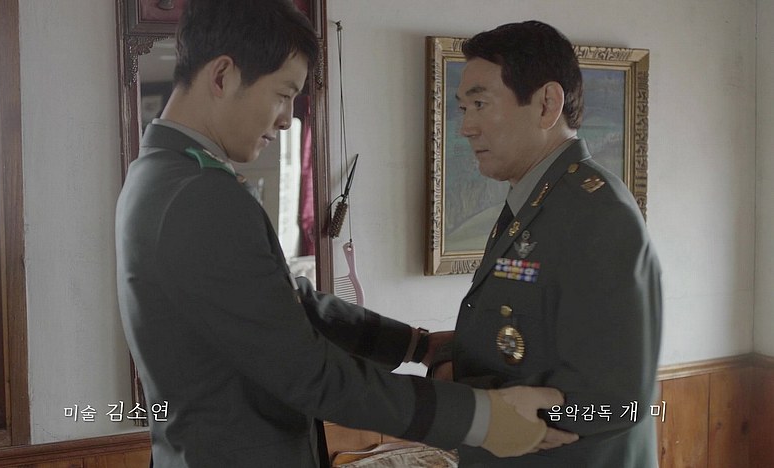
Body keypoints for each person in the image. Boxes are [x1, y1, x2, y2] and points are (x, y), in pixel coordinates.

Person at [115, 2, 578, 466]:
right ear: (222, 76)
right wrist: (483, 418)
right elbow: (307, 373)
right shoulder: (200, 196)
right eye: (283, 94)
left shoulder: (162, 175)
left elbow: (287, 301)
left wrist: (415, 345)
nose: (287, 118)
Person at [431, 20, 663, 467]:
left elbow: (623, 403)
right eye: (463, 108)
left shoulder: (597, 214)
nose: (466, 127)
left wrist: (516, 409)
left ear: (546, 104)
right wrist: (452, 367)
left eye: (480, 104)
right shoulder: (537, 201)